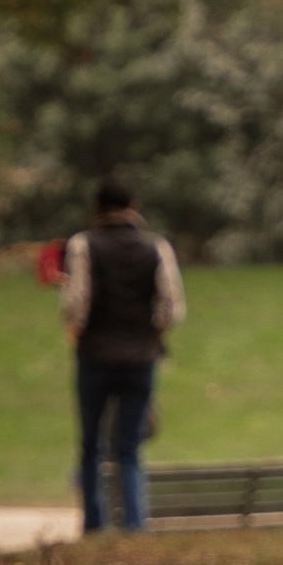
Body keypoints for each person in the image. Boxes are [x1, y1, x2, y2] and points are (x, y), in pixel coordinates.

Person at [61, 176, 186, 535]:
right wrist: (151, 333)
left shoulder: (84, 245)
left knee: (91, 445)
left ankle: (94, 525)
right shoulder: (156, 246)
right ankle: (134, 525)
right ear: (133, 206)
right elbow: (171, 307)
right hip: (139, 361)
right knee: (129, 448)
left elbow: (77, 303)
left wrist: (77, 332)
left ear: (96, 209)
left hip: (95, 358)